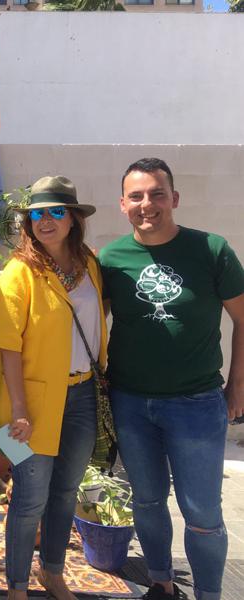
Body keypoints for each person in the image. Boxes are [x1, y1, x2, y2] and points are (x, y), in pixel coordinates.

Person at [99, 158, 244, 600]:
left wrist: (237, 386)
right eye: (137, 196)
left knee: (202, 512)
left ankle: (209, 594)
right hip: (130, 402)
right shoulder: (110, 259)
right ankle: (161, 582)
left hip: (197, 403)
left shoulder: (211, 250)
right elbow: (88, 325)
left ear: (174, 199)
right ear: (122, 204)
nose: (148, 204)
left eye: (157, 194)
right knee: (146, 501)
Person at [0, 176, 107, 600]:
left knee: (65, 491)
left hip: (82, 395)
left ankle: (52, 572)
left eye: (57, 211)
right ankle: (17, 584)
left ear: (74, 219)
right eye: (37, 213)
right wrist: (18, 409)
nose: (46, 220)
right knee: (28, 497)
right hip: (29, 403)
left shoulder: (89, 265)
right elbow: (5, 344)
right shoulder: (18, 272)